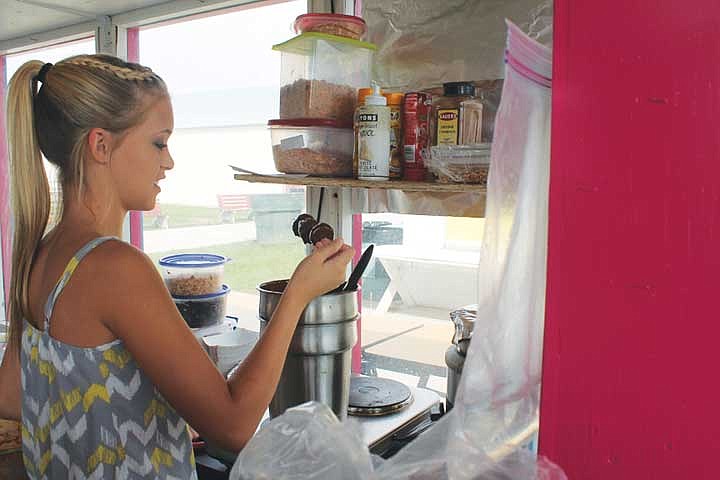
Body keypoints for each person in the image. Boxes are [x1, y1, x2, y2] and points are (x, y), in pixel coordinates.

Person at [0, 54, 354, 478]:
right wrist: (297, 295)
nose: (168, 162)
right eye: (158, 142)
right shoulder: (115, 267)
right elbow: (234, 426)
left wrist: (143, 409)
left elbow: (12, 396)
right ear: (100, 145)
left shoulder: (43, 253)